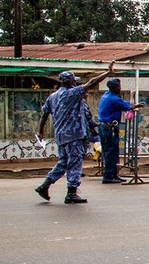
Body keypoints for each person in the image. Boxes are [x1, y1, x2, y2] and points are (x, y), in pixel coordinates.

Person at [34, 64, 113, 204]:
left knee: (64, 162)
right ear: (70, 82)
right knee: (75, 162)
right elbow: (92, 82)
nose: (75, 83)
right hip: (74, 134)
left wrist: (40, 130)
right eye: (74, 81)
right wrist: (108, 72)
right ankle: (71, 192)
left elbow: (45, 113)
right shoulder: (72, 93)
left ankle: (45, 184)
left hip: (60, 136)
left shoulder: (53, 97)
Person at [97, 78, 145, 184]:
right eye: (119, 86)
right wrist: (132, 96)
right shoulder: (113, 99)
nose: (120, 88)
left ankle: (113, 174)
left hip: (103, 127)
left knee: (108, 152)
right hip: (110, 128)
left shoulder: (106, 95)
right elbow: (129, 106)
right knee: (111, 152)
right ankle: (109, 176)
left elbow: (123, 105)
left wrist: (135, 106)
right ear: (115, 88)